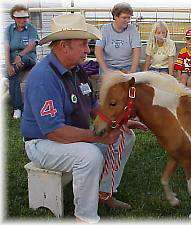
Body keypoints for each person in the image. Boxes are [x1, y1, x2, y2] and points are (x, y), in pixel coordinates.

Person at [21, 14, 147, 223]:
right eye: (83, 45)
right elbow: (55, 132)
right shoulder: (44, 77)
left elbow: (92, 106)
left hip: (67, 138)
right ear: (63, 46)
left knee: (127, 136)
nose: (87, 51)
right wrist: (98, 137)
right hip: (42, 143)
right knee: (89, 155)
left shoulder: (76, 69)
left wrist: (118, 122)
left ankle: (105, 193)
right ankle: (85, 218)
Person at [4, 4, 39, 119]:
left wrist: (20, 55)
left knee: (19, 63)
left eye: (25, 17)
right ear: (14, 18)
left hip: (28, 57)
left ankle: (18, 108)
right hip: (14, 59)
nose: (22, 20)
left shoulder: (31, 28)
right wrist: (8, 65)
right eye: (19, 17)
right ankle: (18, 107)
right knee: (11, 73)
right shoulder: (9, 29)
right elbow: (7, 47)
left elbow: (32, 45)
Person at [95, 2, 141, 74]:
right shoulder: (104, 29)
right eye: (124, 18)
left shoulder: (133, 29)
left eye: (129, 18)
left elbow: (137, 51)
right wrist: (105, 70)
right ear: (115, 17)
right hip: (109, 66)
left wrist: (132, 71)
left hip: (128, 65)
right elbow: (98, 51)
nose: (128, 21)